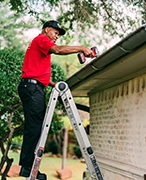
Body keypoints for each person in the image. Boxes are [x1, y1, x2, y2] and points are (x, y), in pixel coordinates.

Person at [17, 20, 94, 179]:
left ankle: (29, 167)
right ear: (46, 30)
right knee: (34, 127)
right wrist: (82, 48)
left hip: (33, 87)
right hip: (32, 88)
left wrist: (54, 85)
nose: (57, 37)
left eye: (58, 35)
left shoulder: (39, 44)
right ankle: (27, 168)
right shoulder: (42, 39)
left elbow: (37, 72)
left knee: (35, 127)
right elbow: (58, 50)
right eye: (55, 33)